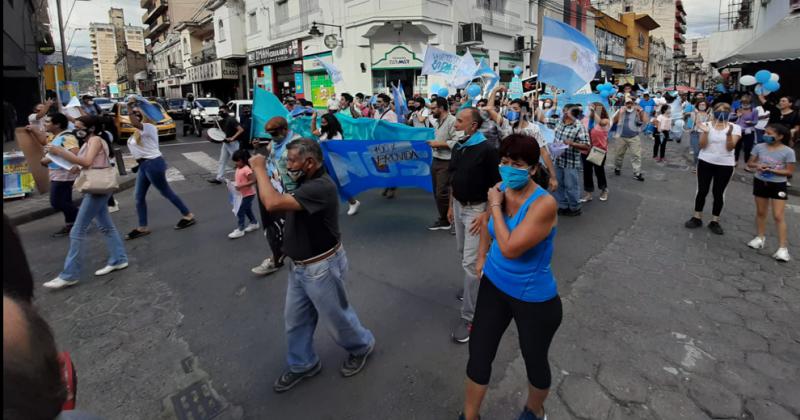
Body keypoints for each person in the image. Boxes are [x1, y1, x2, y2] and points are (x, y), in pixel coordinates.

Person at [249, 139, 375, 392]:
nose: (288, 164)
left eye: (293, 160)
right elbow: (275, 198)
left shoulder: (320, 186)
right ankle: (303, 364)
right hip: (299, 267)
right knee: (295, 320)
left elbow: (273, 203)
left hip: (321, 268)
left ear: (309, 162)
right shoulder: (304, 181)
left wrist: (260, 168)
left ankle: (361, 346)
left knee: (337, 318)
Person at [460, 134, 562, 420]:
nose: (507, 168)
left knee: (535, 361)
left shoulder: (543, 205)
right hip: (494, 286)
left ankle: (534, 409)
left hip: (533, 297)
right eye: (503, 162)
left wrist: (493, 205)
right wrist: (481, 257)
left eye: (515, 164)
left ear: (531, 168)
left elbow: (509, 247)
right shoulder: (501, 189)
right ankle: (469, 416)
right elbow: (488, 225)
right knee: (479, 354)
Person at [43, 116, 128, 289]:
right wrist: (76, 165)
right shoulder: (90, 140)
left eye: (80, 127)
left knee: (77, 231)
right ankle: (119, 259)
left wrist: (61, 152)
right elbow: (87, 163)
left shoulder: (95, 139)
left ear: (91, 128)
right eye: (75, 126)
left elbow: (88, 162)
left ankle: (69, 274)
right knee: (106, 226)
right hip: (97, 187)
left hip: (97, 188)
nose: (76, 130)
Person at [447, 108, 501, 343]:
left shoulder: (487, 150)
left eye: (460, 121)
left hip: (476, 210)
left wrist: (487, 215)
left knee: (470, 263)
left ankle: (469, 317)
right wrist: (451, 206)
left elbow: (498, 185)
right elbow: (453, 177)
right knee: (463, 254)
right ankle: (476, 286)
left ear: (474, 126)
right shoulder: (459, 146)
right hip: (459, 207)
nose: (455, 123)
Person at [125, 99, 196, 240]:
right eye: (134, 114)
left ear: (145, 116)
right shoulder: (137, 132)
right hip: (144, 166)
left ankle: (188, 215)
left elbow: (134, 123)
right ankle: (142, 227)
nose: (135, 115)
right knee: (138, 197)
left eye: (138, 114)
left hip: (153, 164)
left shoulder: (149, 127)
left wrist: (129, 107)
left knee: (166, 192)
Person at [250, 117, 301, 276]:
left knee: (291, 228)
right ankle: (277, 257)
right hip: (277, 189)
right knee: (277, 226)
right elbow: (270, 160)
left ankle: (282, 258)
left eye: (275, 133)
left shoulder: (298, 144)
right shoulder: (274, 144)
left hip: (293, 192)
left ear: (285, 130)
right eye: (270, 134)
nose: (272, 136)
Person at [685, 102, 741, 235]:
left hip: (725, 165)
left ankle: (715, 221)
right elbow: (702, 146)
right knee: (702, 190)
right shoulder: (707, 125)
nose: (722, 112)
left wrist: (728, 135)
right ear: (713, 111)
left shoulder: (735, 127)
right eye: (719, 110)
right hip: (706, 162)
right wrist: (705, 132)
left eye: (725, 110)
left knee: (719, 193)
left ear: (730, 112)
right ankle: (697, 217)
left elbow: (730, 148)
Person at [487, 89, 557, 192]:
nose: (512, 112)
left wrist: (553, 177)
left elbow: (544, 153)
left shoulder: (533, 129)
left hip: (525, 172)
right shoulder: (506, 124)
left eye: (515, 109)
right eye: (510, 109)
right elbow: (489, 109)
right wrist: (495, 91)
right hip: (509, 170)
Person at [746, 124, 796, 262]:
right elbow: (750, 163)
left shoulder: (788, 151)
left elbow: (789, 171)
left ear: (780, 136)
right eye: (765, 133)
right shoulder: (759, 147)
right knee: (761, 212)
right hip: (760, 181)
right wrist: (758, 166)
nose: (766, 135)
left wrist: (772, 170)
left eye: (770, 134)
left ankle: (782, 248)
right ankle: (760, 238)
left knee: (778, 215)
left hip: (778, 184)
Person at [26, 113, 80, 237]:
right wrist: (34, 130)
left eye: (48, 122)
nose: (45, 124)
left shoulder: (67, 137)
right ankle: (72, 224)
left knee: (56, 202)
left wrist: (50, 158)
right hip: (57, 173)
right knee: (65, 201)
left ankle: (81, 218)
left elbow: (75, 154)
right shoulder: (55, 136)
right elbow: (44, 142)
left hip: (64, 174)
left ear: (57, 124)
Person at [311, 112, 361, 216]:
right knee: (321, 183)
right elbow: (313, 131)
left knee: (339, 185)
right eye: (322, 122)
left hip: (335, 163)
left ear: (330, 122)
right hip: (323, 161)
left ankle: (353, 202)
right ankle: (323, 207)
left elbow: (337, 149)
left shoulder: (336, 134)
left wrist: (325, 144)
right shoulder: (323, 131)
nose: (322, 124)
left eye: (324, 122)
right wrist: (313, 119)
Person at [547, 103, 591, 216]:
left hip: (570, 162)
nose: (564, 112)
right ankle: (563, 205)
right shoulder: (559, 122)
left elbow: (586, 146)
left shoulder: (579, 127)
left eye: (567, 110)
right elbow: (543, 119)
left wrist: (572, 143)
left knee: (571, 186)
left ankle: (575, 207)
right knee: (559, 184)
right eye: (564, 110)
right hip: (557, 159)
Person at [426, 97, 458, 231]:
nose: (431, 110)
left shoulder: (452, 121)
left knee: (442, 192)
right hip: (436, 159)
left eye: (433, 108)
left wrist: (439, 144)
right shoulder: (438, 122)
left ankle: (447, 219)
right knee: (436, 191)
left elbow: (458, 141)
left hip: (447, 161)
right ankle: (444, 218)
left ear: (442, 108)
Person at [208, 104, 245, 184]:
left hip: (233, 144)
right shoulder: (222, 120)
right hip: (226, 143)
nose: (220, 112)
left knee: (237, 161)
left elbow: (241, 129)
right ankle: (219, 178)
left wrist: (233, 138)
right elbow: (218, 131)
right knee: (222, 161)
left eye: (222, 110)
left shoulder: (231, 120)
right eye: (219, 110)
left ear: (227, 110)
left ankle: (243, 177)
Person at [612, 98, 646, 181]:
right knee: (619, 154)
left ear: (633, 104)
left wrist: (641, 112)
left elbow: (642, 121)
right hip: (621, 137)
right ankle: (617, 168)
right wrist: (620, 112)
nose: (629, 105)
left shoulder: (636, 111)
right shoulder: (620, 111)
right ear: (625, 104)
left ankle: (637, 173)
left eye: (631, 103)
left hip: (634, 137)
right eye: (627, 103)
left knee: (636, 155)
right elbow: (614, 121)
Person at [228, 149, 259, 239]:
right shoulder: (238, 168)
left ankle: (240, 229)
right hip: (241, 193)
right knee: (247, 209)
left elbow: (253, 180)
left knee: (240, 210)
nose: (236, 163)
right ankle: (254, 223)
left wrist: (242, 185)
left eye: (238, 161)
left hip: (248, 194)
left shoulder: (247, 169)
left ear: (243, 160)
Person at [582, 104, 610, 202]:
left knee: (599, 171)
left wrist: (594, 112)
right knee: (587, 172)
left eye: (596, 109)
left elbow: (601, 123)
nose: (592, 111)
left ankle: (604, 190)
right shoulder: (586, 120)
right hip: (585, 149)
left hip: (598, 149)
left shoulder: (605, 120)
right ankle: (588, 193)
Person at [734, 101, 758, 169]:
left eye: (746, 103)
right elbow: (736, 121)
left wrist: (751, 122)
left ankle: (747, 164)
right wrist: (738, 116)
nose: (745, 105)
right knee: (737, 146)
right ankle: (735, 161)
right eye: (743, 103)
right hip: (739, 130)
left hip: (749, 131)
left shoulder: (754, 110)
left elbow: (756, 121)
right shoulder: (739, 109)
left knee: (748, 148)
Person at [690, 100, 711, 172]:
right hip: (695, 133)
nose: (702, 106)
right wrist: (698, 114)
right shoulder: (693, 113)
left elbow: (709, 124)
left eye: (703, 105)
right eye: (700, 105)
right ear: (697, 106)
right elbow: (697, 122)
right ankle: (696, 165)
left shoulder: (709, 115)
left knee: (703, 151)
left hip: (704, 134)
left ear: (706, 106)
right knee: (696, 151)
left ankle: (702, 165)